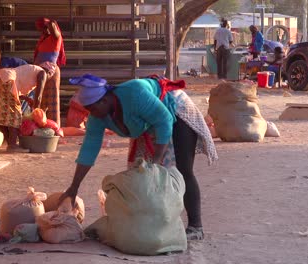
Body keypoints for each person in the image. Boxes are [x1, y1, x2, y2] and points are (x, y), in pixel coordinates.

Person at [59, 74, 218, 240]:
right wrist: (74, 187)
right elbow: (88, 150)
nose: (91, 114)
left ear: (105, 100)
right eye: (89, 110)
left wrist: (156, 162)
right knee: (141, 176)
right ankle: (155, 225)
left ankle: (195, 226)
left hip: (174, 111)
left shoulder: (134, 94)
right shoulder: (98, 117)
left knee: (181, 171)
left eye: (93, 109)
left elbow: (164, 120)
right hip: (146, 124)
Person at [0, 63, 56, 151]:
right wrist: (36, 113)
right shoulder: (42, 73)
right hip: (7, 79)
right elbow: (39, 97)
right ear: (49, 73)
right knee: (15, 115)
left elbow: (12, 92)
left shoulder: (32, 71)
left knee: (1, 115)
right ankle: (12, 145)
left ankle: (10, 144)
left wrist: (27, 99)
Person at [33, 18, 66, 126]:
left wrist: (48, 23)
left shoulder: (55, 37)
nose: (43, 31)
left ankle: (54, 127)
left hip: (50, 71)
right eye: (42, 29)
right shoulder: (43, 39)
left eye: (44, 28)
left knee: (52, 103)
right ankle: (41, 126)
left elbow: (52, 26)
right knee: (41, 100)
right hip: (41, 71)